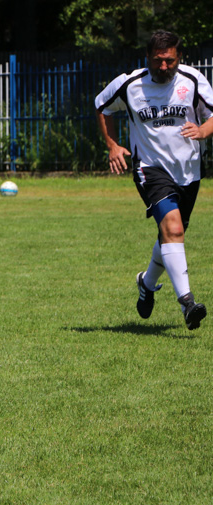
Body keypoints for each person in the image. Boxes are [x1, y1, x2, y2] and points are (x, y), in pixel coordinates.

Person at [95, 29, 213, 330]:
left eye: (170, 61)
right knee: (173, 228)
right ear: (148, 58)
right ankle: (187, 303)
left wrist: (202, 131)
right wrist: (112, 145)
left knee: (171, 235)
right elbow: (101, 106)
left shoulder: (193, 80)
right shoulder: (130, 84)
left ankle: (146, 283)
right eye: (158, 61)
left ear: (179, 57)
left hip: (188, 171)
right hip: (150, 168)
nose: (164, 67)